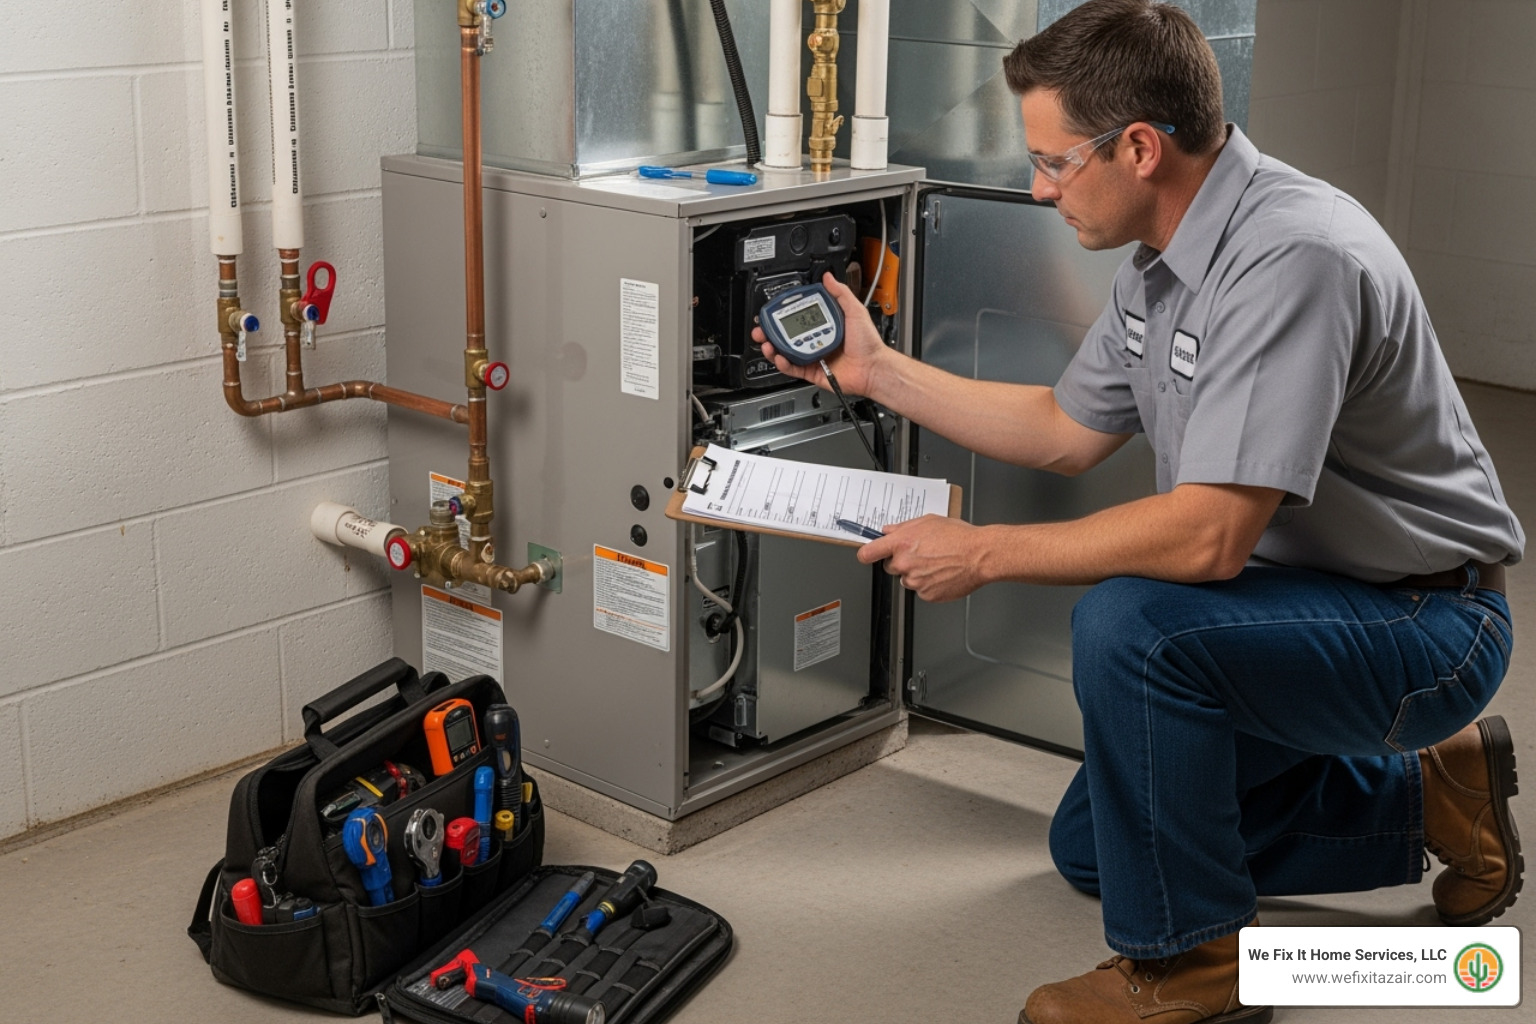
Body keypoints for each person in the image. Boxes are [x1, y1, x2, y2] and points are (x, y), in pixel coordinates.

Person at [755, 1, 1525, 1022]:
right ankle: (1426, 799)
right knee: (1094, 847)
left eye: (1052, 162)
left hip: (1425, 624)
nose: (1037, 188)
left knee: (1130, 626)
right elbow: (1064, 429)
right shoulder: (1164, 265)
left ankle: (1201, 963)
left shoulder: (1293, 260)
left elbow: (1208, 539)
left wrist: (983, 553)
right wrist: (876, 370)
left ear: (1140, 147)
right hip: (1300, 600)